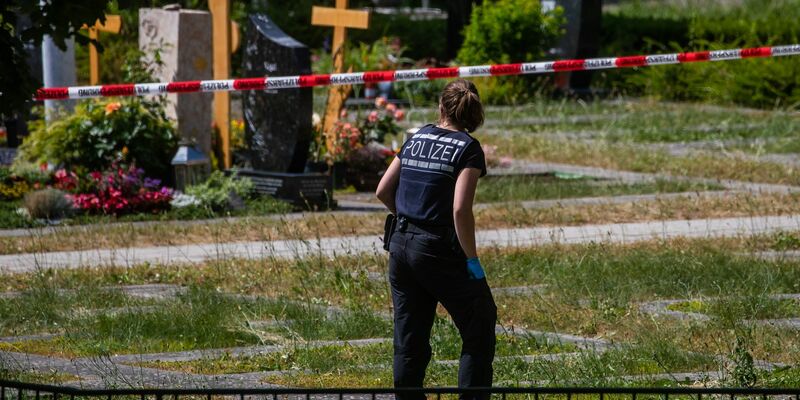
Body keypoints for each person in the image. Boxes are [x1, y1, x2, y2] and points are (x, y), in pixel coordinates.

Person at [376, 79, 497, 400]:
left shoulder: (416, 138)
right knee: (479, 324)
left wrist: (407, 217)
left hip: (400, 245)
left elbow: (382, 190)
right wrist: (472, 259)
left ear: (441, 107)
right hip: (437, 249)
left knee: (409, 337)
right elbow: (460, 210)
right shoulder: (468, 148)